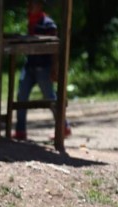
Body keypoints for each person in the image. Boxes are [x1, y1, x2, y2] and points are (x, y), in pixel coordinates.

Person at [14, 0, 71, 141]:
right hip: (29, 65)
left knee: (50, 98)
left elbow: (55, 49)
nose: (29, 6)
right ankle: (20, 131)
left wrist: (54, 67)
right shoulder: (31, 22)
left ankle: (64, 127)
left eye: (32, 4)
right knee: (21, 96)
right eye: (29, 4)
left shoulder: (49, 24)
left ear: (39, 5)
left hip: (43, 68)